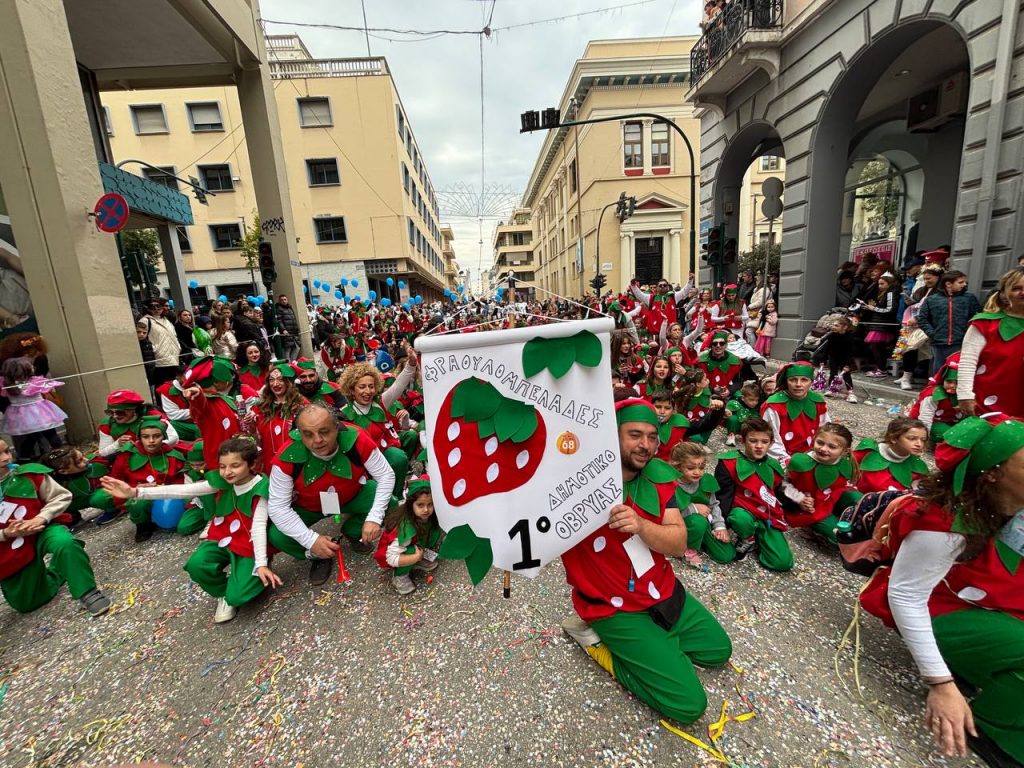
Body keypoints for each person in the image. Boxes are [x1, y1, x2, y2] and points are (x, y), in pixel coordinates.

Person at [859, 414, 1024, 766]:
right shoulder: (946, 522)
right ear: (993, 473)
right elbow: (905, 595)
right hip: (946, 611)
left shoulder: (1015, 508)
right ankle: (993, 731)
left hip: (995, 604)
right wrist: (941, 684)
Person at [560, 399, 732, 724]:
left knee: (717, 651)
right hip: (612, 606)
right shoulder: (577, 480)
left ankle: (656, 651)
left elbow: (679, 542)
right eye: (635, 434)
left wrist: (641, 524)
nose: (646, 445)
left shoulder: (658, 476)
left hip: (661, 589)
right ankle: (597, 643)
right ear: (612, 435)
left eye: (652, 436)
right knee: (688, 706)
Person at [103, 437, 281, 624]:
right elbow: (183, 491)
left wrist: (260, 562)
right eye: (222, 466)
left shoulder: (261, 487)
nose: (227, 472)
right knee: (197, 564)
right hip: (223, 537)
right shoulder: (221, 482)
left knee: (241, 596)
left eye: (235, 466)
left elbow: (259, 525)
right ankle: (223, 593)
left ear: (252, 464)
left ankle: (258, 570)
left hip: (250, 544)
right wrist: (135, 492)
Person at [267, 404, 395, 583]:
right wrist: (311, 540)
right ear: (299, 433)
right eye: (308, 434)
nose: (317, 440)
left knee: (391, 503)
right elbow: (277, 507)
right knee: (277, 535)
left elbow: (385, 475)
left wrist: (374, 518)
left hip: (351, 496)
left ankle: (352, 530)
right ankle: (318, 555)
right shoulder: (286, 457)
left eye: (324, 431)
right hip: (309, 506)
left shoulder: (356, 438)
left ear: (337, 427)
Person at [0, 438, 111, 615]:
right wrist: (5, 533)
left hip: (42, 530)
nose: (6, 458)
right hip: (7, 544)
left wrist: (41, 518)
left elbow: (61, 497)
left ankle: (88, 592)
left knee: (64, 542)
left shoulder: (29, 474)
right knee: (27, 604)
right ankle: (58, 570)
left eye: (7, 451)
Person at [715, 417, 790, 570]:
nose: (759, 446)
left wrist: (801, 500)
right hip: (742, 512)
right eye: (753, 441)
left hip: (767, 514)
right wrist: (719, 524)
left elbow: (782, 489)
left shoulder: (773, 465)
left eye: (764, 442)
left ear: (771, 443)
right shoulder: (729, 463)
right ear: (743, 440)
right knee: (740, 519)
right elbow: (723, 495)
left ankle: (761, 538)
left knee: (782, 563)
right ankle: (747, 538)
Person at [338, 355, 418, 496]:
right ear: (351, 390)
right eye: (362, 387)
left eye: (371, 386)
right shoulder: (344, 413)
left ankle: (397, 496)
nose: (368, 391)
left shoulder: (380, 403)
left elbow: (398, 385)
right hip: (362, 457)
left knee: (399, 458)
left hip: (383, 449)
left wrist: (411, 364)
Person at [956, 267, 1024, 419]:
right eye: (1016, 288)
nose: (1022, 293)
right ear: (1005, 293)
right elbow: (968, 361)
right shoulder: (985, 323)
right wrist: (965, 394)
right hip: (988, 399)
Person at [106, 416, 187, 542]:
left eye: (156, 436)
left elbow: (184, 480)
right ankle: (142, 524)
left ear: (164, 437)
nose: (151, 441)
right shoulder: (127, 456)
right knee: (138, 501)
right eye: (146, 437)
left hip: (167, 495)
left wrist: (167, 487)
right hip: (139, 494)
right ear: (140, 437)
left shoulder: (173, 455)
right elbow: (116, 481)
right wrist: (135, 488)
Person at [782, 423, 862, 545]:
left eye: (832, 447)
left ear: (845, 451)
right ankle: (812, 528)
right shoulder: (800, 462)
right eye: (820, 443)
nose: (823, 449)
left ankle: (861, 524)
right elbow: (780, 484)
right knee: (841, 539)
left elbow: (846, 484)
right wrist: (799, 498)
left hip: (830, 500)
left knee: (860, 500)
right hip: (809, 506)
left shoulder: (846, 463)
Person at [668, 441, 735, 565]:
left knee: (726, 555)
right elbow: (666, 515)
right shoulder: (671, 485)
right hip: (682, 526)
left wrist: (720, 526)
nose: (697, 472)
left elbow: (714, 504)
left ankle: (700, 540)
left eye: (701, 467)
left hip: (705, 523)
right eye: (691, 468)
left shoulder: (705, 481)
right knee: (698, 522)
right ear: (678, 466)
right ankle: (686, 548)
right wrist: (693, 508)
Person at [374, 475, 440, 595]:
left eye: (430, 504)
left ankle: (416, 559)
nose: (426, 510)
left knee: (433, 531)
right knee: (410, 552)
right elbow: (391, 557)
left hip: (414, 543)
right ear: (410, 505)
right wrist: (415, 557)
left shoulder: (423, 516)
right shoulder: (405, 530)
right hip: (396, 552)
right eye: (420, 505)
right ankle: (400, 575)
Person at [760, 362, 830, 464]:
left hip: (812, 455)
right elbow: (770, 439)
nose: (798, 384)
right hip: (781, 458)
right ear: (786, 381)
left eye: (804, 380)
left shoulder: (818, 401)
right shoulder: (774, 405)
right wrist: (788, 461)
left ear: (811, 382)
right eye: (793, 380)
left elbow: (824, 430)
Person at [916, 271, 981, 376]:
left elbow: (977, 317)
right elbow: (922, 319)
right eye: (960, 282)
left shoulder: (969, 298)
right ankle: (935, 391)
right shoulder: (931, 299)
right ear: (948, 284)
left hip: (961, 342)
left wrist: (968, 333)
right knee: (937, 372)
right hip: (938, 343)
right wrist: (933, 333)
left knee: (956, 373)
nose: (964, 284)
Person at [0, 356, 66, 460]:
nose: (33, 367)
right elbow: (48, 387)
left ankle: (24, 457)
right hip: (41, 412)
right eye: (30, 366)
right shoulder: (35, 381)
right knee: (50, 433)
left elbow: (3, 394)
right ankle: (61, 452)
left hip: (21, 415)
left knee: (31, 437)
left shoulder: (7, 384)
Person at [247, 362, 307, 462]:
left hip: (295, 461)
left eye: (280, 379)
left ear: (289, 382)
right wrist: (252, 429)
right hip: (268, 462)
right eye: (271, 380)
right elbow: (256, 441)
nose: (275, 384)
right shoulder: (260, 407)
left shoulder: (302, 404)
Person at [41, 447, 115, 527]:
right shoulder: (55, 482)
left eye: (83, 456)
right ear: (63, 471)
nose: (86, 460)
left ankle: (114, 509)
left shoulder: (97, 462)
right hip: (78, 500)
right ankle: (73, 518)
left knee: (101, 497)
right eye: (79, 461)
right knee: (59, 502)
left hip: (100, 493)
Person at [853, 416, 929, 493]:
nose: (919, 444)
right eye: (912, 438)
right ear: (893, 438)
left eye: (923, 440)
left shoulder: (918, 467)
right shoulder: (868, 451)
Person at [96, 389, 178, 460]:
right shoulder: (107, 424)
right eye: (110, 412)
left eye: (119, 412)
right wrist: (117, 444)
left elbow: (173, 438)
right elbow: (102, 453)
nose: (115, 416)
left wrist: (144, 447)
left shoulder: (153, 416)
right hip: (127, 459)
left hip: (158, 454)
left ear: (133, 410)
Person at [907, 355, 965, 443]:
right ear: (943, 380)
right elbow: (925, 417)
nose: (952, 386)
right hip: (933, 421)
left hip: (952, 421)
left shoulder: (966, 394)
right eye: (949, 381)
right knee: (950, 436)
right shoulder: (934, 394)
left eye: (957, 383)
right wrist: (923, 439)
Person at [859, 272, 900, 377]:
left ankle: (882, 369)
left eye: (882, 284)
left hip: (882, 324)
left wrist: (874, 308)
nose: (879, 286)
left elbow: (890, 309)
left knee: (877, 347)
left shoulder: (890, 293)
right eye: (879, 284)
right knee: (877, 347)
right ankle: (881, 368)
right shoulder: (885, 293)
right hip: (878, 323)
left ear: (889, 283)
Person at [811, 316, 858, 402]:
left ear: (845, 327)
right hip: (833, 357)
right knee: (833, 373)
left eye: (836, 326)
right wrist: (823, 360)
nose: (833, 327)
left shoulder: (849, 338)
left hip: (845, 358)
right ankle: (831, 388)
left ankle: (851, 393)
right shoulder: (832, 335)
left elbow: (851, 352)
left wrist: (848, 364)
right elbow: (826, 348)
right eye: (833, 325)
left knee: (846, 375)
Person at [138, 299, 182, 387]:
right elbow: (142, 338)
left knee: (174, 387)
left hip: (174, 358)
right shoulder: (145, 321)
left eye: (159, 306)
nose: (156, 309)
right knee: (162, 388)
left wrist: (178, 348)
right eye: (153, 307)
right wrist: (155, 349)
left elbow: (174, 336)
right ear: (148, 308)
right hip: (159, 360)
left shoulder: (167, 320)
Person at [695, 331, 744, 398]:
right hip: (706, 391)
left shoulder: (735, 361)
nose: (718, 346)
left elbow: (739, 381)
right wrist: (712, 389)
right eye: (715, 343)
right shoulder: (701, 361)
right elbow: (696, 381)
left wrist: (730, 390)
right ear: (711, 345)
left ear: (726, 345)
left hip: (728, 394)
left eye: (722, 343)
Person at [724, 382, 761, 447]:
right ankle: (731, 436)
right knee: (733, 418)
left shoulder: (756, 408)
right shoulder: (735, 403)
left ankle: (750, 438)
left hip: (748, 428)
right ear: (743, 398)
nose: (754, 403)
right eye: (751, 400)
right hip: (738, 425)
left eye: (756, 400)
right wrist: (727, 411)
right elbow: (727, 409)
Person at [276, 294, 301, 361]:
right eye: (282, 300)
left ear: (287, 300)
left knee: (297, 347)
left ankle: (292, 363)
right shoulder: (279, 309)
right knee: (287, 350)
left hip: (293, 332)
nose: (284, 301)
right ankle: (288, 365)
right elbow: (279, 320)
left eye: (285, 299)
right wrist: (283, 329)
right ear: (279, 301)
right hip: (286, 332)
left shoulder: (290, 307)